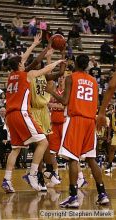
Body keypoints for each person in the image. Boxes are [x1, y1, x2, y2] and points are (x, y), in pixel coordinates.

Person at [1, 33, 64, 193]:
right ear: (20, 66)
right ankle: (33, 174)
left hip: (9, 116)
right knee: (43, 142)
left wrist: (34, 44)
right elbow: (45, 69)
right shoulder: (26, 75)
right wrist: (57, 61)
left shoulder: (10, 77)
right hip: (22, 113)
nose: (24, 62)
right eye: (22, 63)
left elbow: (22, 58)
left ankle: (7, 180)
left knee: (15, 149)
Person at [46, 54, 109, 207]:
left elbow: (65, 101)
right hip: (90, 121)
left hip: (76, 120)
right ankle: (103, 194)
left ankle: (73, 197)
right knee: (91, 158)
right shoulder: (94, 81)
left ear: (75, 64)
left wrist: (51, 91)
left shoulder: (71, 78)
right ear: (87, 65)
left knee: (73, 158)